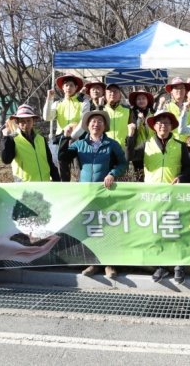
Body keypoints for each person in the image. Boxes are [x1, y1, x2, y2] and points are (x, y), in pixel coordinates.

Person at [125, 110, 190, 285]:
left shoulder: (180, 145)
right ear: (154, 126)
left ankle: (179, 266)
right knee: (157, 230)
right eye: (160, 123)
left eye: (167, 123)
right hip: (153, 195)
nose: (163, 126)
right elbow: (129, 156)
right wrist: (131, 136)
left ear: (172, 127)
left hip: (174, 195)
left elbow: (188, 168)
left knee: (176, 229)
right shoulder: (146, 144)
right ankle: (161, 266)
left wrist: (182, 177)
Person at [60, 110, 129, 279]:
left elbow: (123, 163)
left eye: (99, 121)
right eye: (92, 121)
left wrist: (112, 173)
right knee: (89, 227)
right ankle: (92, 262)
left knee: (107, 227)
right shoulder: (79, 144)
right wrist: (65, 137)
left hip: (106, 192)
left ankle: (109, 264)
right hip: (85, 192)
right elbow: (62, 157)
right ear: (87, 125)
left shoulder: (112, 144)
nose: (95, 124)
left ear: (104, 126)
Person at [43, 73, 89, 181]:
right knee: (63, 170)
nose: (69, 88)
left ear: (76, 88)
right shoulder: (57, 103)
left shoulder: (84, 102)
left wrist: (72, 136)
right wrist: (49, 100)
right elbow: (47, 117)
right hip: (61, 141)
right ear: (62, 88)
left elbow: (83, 122)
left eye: (71, 85)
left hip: (79, 141)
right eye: (66, 85)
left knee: (79, 170)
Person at [0, 105, 60, 182]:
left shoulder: (41, 139)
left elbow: (49, 162)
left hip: (44, 183)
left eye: (29, 120)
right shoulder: (12, 139)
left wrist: (57, 179)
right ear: (17, 122)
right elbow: (6, 160)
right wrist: (5, 138)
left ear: (33, 121)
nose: (26, 124)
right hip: (25, 184)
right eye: (22, 121)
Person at [128, 90, 155, 177]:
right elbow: (134, 131)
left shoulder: (153, 113)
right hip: (138, 148)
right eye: (138, 99)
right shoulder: (132, 113)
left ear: (148, 101)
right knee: (139, 174)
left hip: (152, 147)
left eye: (143, 98)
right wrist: (139, 120)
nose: (141, 100)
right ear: (135, 102)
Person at [164, 77, 190, 142]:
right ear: (171, 91)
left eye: (182, 88)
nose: (179, 90)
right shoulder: (166, 106)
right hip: (170, 143)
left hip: (187, 145)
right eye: (176, 88)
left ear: (185, 91)